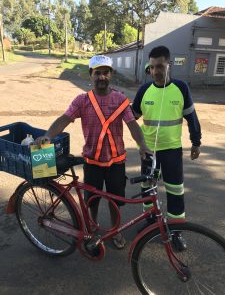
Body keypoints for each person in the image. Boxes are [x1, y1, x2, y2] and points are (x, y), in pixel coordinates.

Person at [36, 55, 149, 249]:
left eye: (105, 72)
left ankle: (116, 230)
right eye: (97, 73)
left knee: (115, 201)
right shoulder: (82, 101)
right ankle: (92, 229)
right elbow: (65, 119)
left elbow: (132, 126)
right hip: (92, 162)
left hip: (116, 161)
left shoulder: (120, 100)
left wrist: (143, 146)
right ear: (91, 75)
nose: (101, 77)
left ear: (111, 75)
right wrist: (48, 135)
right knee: (92, 202)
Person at [132, 46, 201, 247]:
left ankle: (176, 232)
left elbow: (191, 117)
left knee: (175, 191)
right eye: (152, 67)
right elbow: (132, 116)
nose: (156, 71)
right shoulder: (144, 90)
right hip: (148, 151)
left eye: (160, 66)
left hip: (171, 150)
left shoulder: (181, 88)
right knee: (147, 188)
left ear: (168, 65)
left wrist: (196, 142)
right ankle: (150, 222)